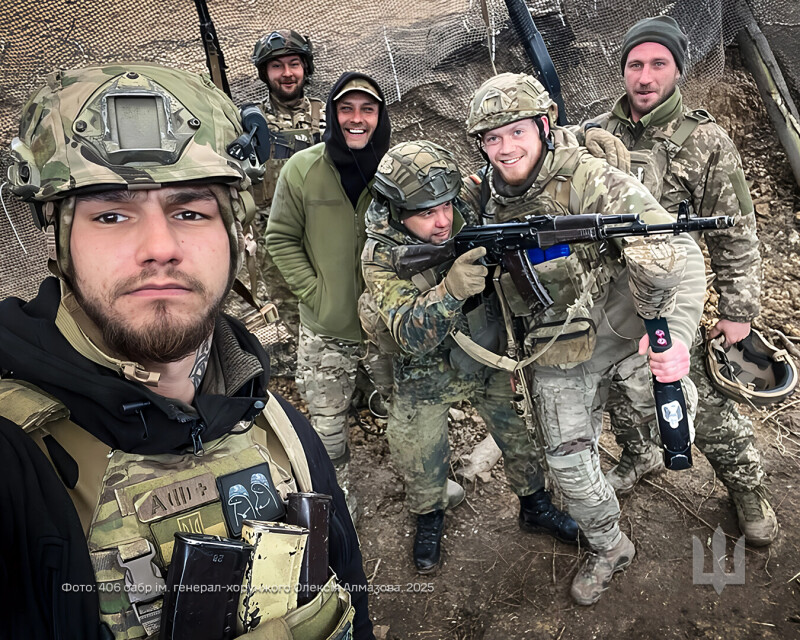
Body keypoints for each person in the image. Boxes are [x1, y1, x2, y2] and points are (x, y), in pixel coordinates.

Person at [0, 63, 373, 639]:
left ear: (233, 236)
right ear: (61, 242)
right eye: (111, 214)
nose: (159, 247)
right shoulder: (15, 461)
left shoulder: (280, 429)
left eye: (190, 212)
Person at [465, 72, 706, 604]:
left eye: (517, 131)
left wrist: (675, 335)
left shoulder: (587, 179)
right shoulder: (481, 197)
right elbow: (420, 214)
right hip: (559, 350)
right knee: (568, 466)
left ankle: (653, 457)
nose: (505, 148)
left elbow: (679, 250)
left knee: (677, 424)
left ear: (543, 126)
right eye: (492, 137)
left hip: (628, 334)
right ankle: (609, 546)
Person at [576, 16, 775, 546]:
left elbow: (737, 233)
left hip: (671, 296)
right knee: (619, 388)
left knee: (700, 401)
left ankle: (746, 486)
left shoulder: (706, 141)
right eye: (635, 64)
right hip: (611, 293)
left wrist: (736, 313)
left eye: (658, 64)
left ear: (678, 70)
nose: (645, 77)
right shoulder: (598, 132)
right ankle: (640, 454)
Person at [360, 140, 579, 573]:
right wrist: (450, 290)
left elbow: (507, 175)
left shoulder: (464, 200)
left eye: (445, 206)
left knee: (518, 435)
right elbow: (409, 333)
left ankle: (534, 504)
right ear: (397, 211)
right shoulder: (380, 255)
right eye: (427, 213)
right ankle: (429, 517)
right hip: (422, 372)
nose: (443, 221)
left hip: (486, 353)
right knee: (420, 452)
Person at [265, 72, 393, 519]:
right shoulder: (303, 169)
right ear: (333, 115)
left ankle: (424, 491)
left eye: (367, 109)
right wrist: (315, 292)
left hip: (389, 328)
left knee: (407, 413)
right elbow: (280, 237)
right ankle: (339, 509)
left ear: (380, 116)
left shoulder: (396, 169)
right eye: (346, 109)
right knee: (327, 427)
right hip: (326, 330)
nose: (357, 119)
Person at [246, 29, 326, 348]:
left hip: (324, 231)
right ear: (265, 73)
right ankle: (308, 357)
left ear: (306, 67)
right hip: (274, 238)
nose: (287, 73)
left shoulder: (329, 116)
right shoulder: (249, 124)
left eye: (294, 63)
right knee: (291, 309)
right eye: (277, 66)